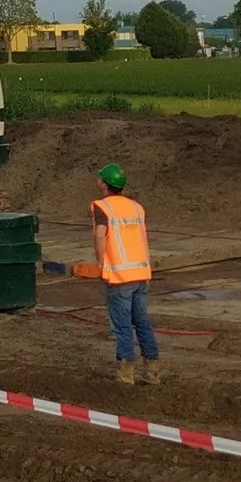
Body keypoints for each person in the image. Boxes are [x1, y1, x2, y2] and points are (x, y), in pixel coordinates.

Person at [91, 163, 161, 387]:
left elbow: (100, 236)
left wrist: (101, 263)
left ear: (105, 184)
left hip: (120, 276)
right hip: (141, 272)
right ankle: (152, 372)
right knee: (142, 322)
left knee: (122, 327)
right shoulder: (136, 207)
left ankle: (126, 374)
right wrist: (147, 269)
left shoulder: (102, 207)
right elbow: (142, 238)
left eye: (100, 178)